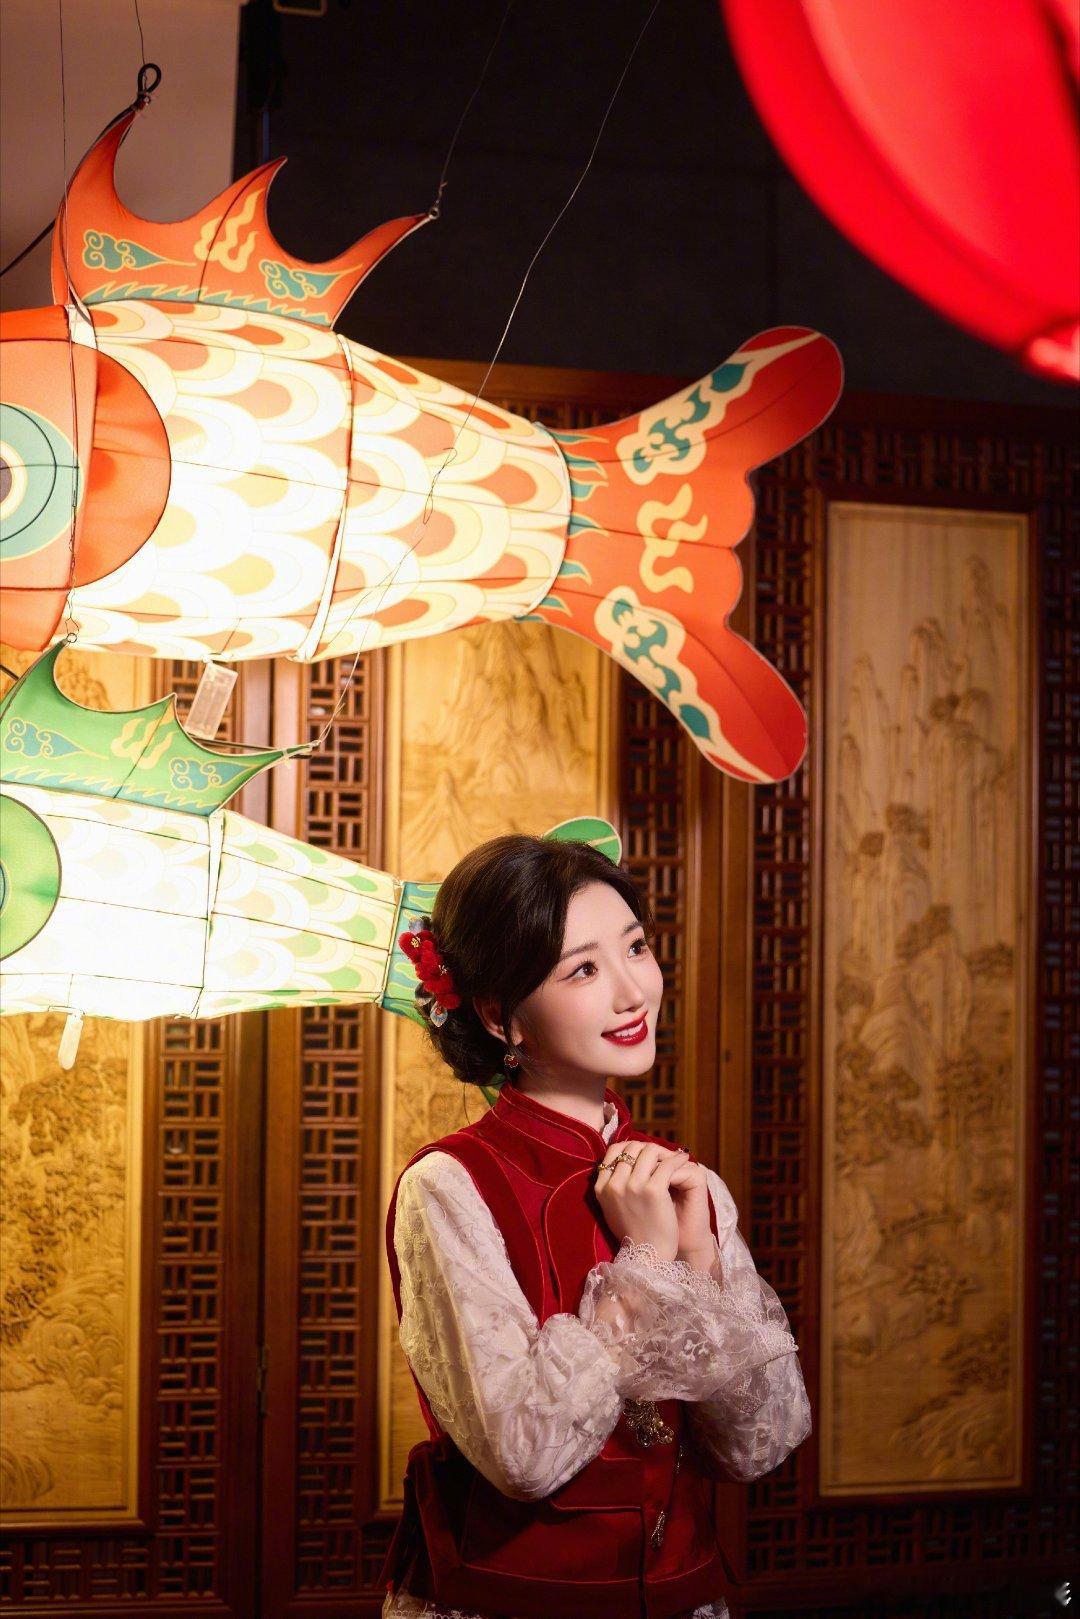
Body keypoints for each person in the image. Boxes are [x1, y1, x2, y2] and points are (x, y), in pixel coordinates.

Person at [380, 834, 810, 1619]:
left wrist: (701, 1258)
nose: (632, 990)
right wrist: (642, 1265)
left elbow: (761, 1444)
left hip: (682, 1594)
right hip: (509, 1600)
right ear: (498, 1015)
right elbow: (525, 1455)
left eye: (636, 947)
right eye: (582, 969)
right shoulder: (449, 1186)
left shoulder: (690, 1185)